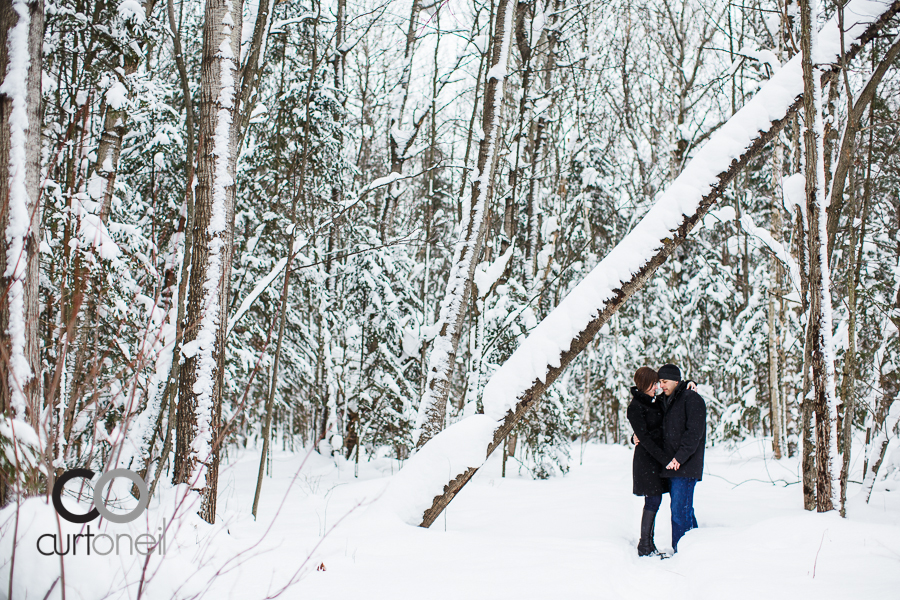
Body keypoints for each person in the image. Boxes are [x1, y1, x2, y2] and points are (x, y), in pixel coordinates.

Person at [657, 363, 706, 552]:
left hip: (685, 466)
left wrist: (680, 458)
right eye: (660, 381)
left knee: (679, 512)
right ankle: (694, 549)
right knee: (684, 509)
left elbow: (694, 433)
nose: (662, 385)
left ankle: (681, 552)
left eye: (665, 381)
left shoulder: (691, 399)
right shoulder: (666, 400)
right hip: (671, 466)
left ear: (676, 381)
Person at [626, 367, 670, 557]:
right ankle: (644, 545)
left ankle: (648, 544)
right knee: (652, 500)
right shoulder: (635, 407)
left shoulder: (655, 401)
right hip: (647, 461)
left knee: (655, 499)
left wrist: (689, 383)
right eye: (653, 384)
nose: (657, 387)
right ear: (644, 384)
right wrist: (665, 459)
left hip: (657, 459)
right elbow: (644, 437)